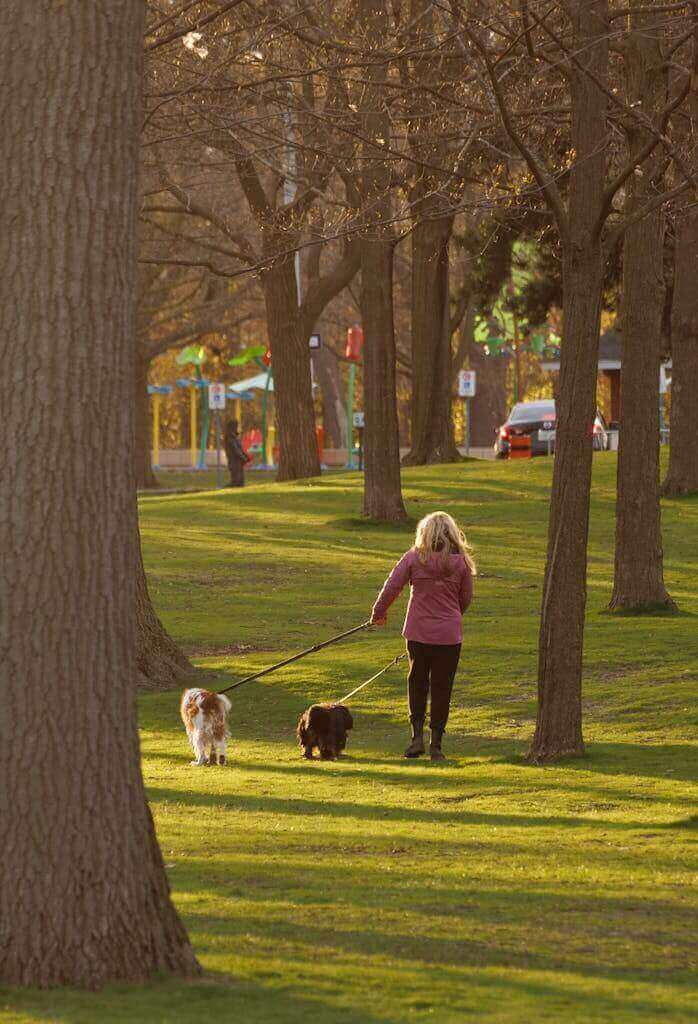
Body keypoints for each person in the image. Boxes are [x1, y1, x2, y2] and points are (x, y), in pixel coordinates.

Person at [370, 511, 475, 761]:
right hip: (449, 635)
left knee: (417, 682)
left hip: (417, 632)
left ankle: (416, 737)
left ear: (424, 533)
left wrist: (378, 612)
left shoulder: (414, 557)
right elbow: (466, 599)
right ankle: (436, 744)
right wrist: (451, 614)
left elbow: (392, 585)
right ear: (452, 533)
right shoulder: (461, 563)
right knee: (442, 687)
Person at [223, 418, 251, 487]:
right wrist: (243, 458)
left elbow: (240, 449)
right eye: (237, 426)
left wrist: (246, 456)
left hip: (239, 462)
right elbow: (236, 450)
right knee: (236, 481)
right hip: (234, 462)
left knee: (240, 482)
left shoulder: (235, 437)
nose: (238, 428)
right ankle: (224, 489)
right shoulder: (230, 438)